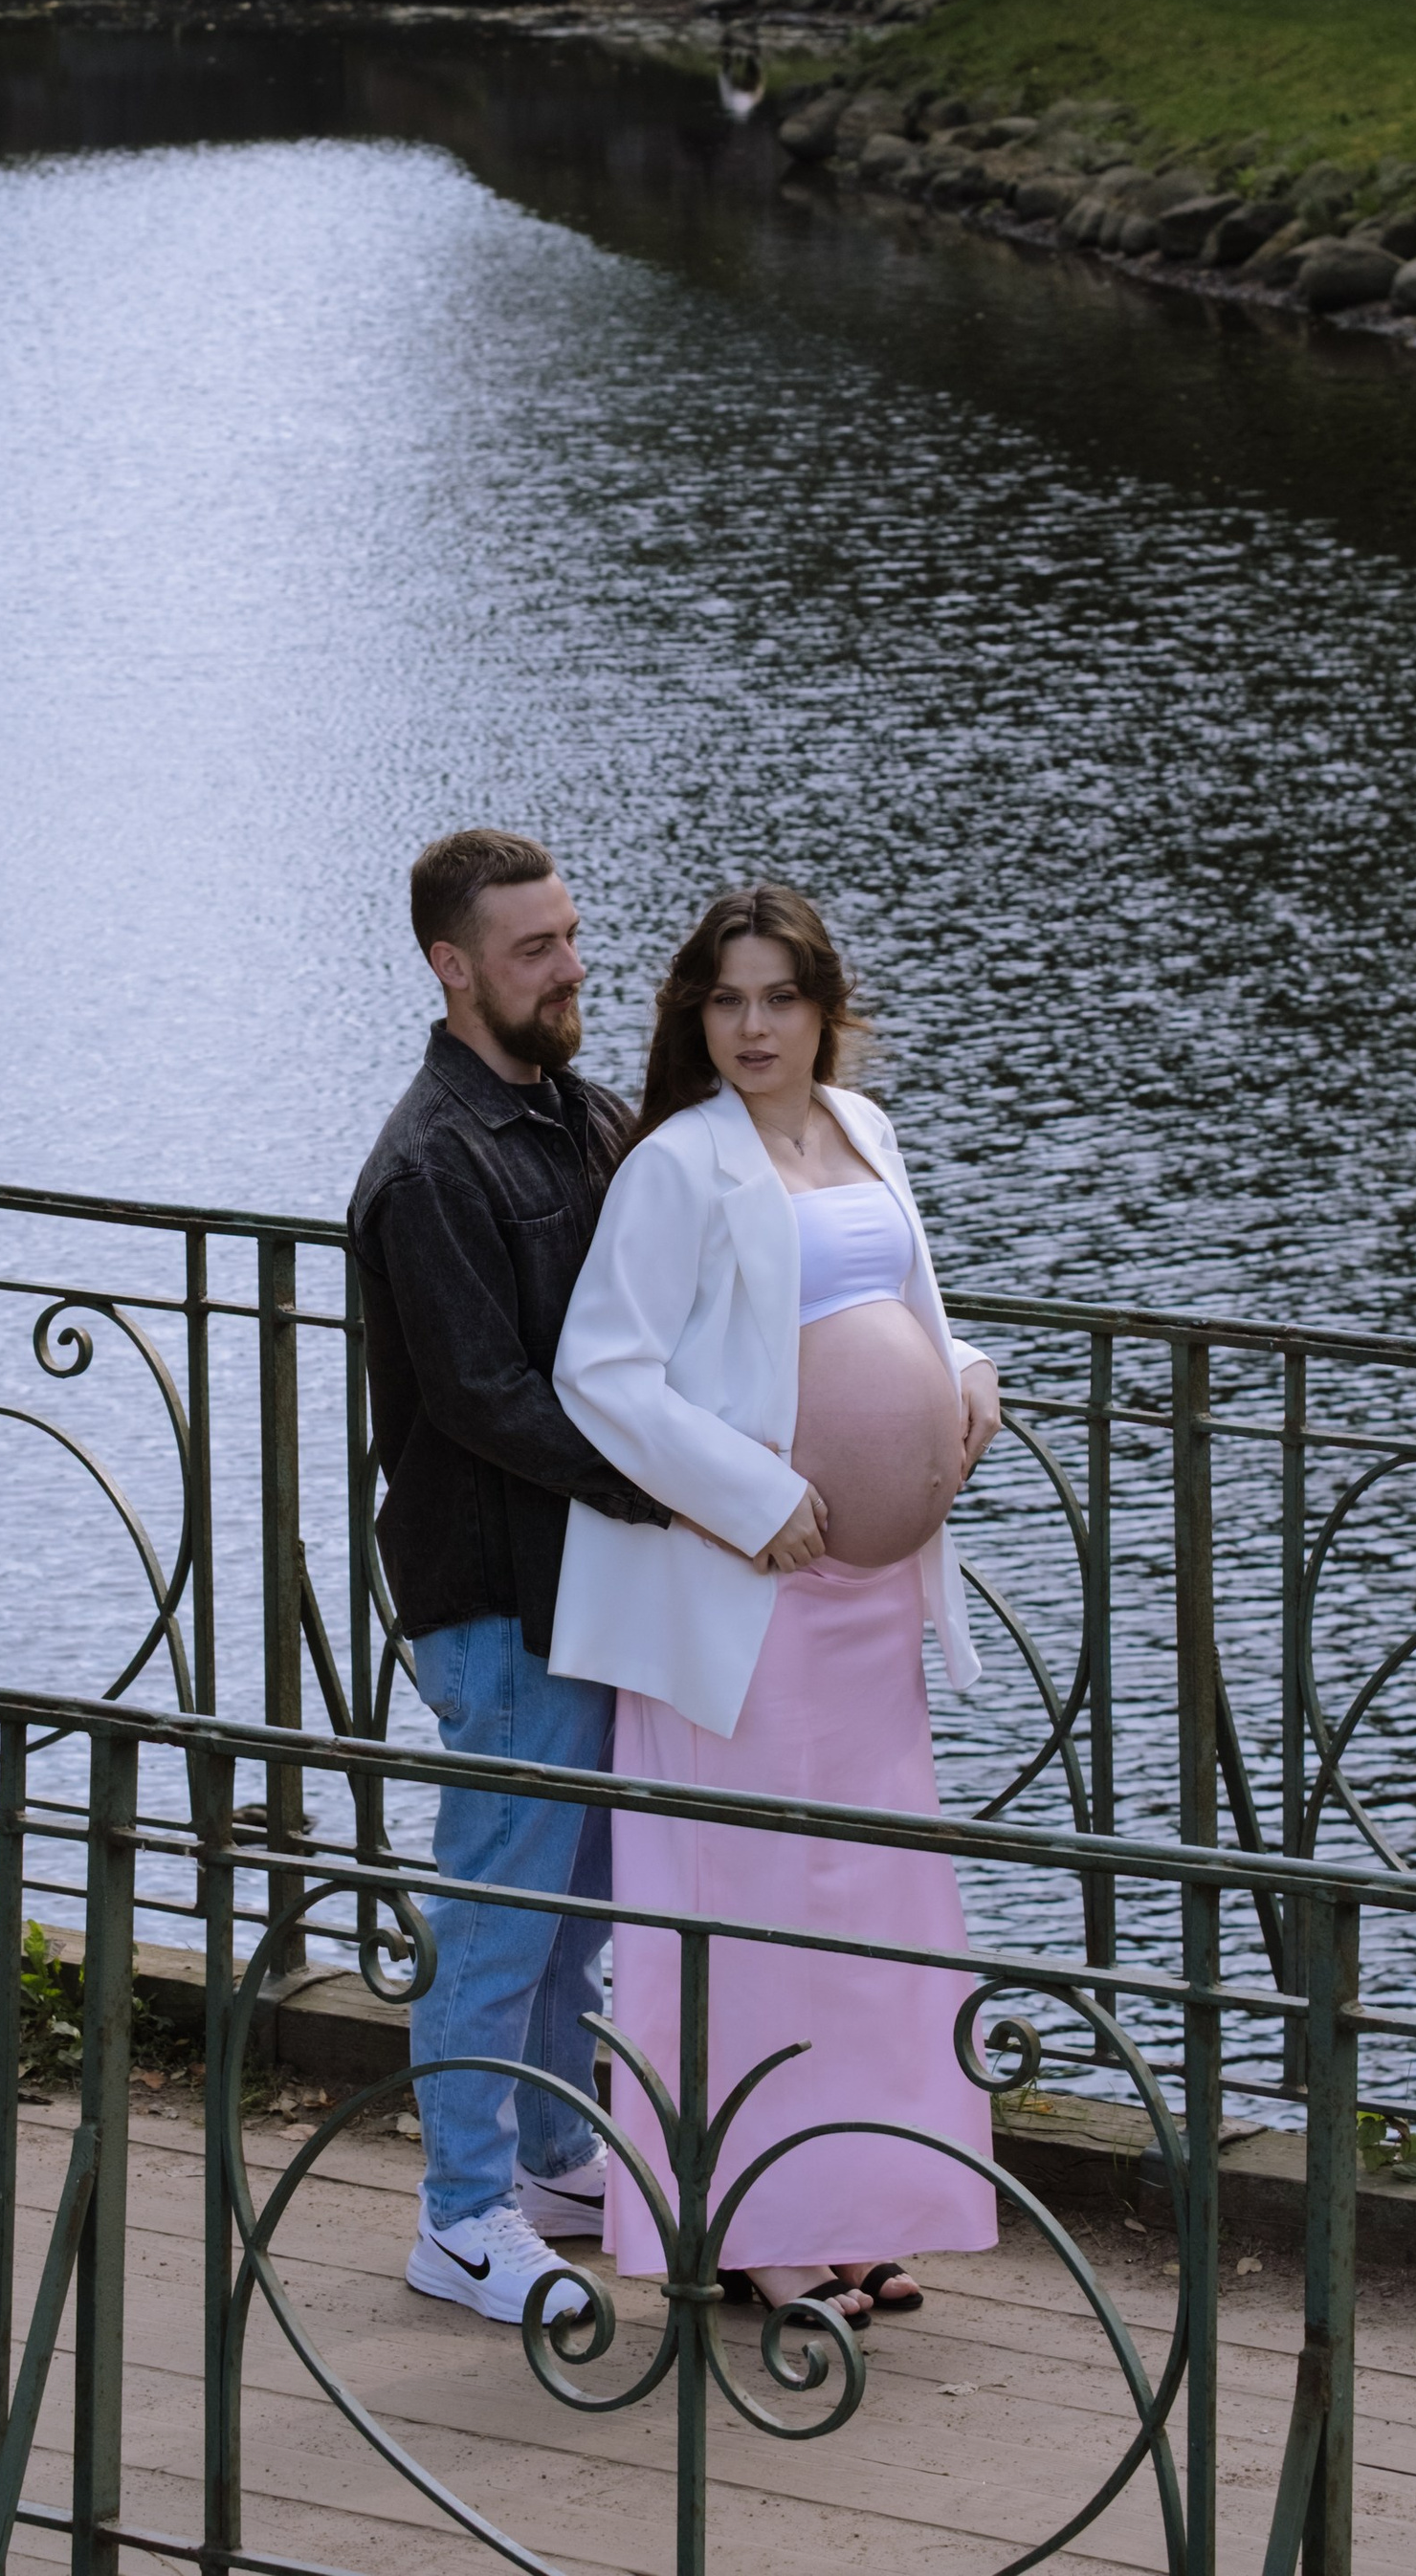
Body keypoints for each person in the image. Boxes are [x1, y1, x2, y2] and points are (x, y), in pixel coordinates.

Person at [549, 884, 1004, 2331]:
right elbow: (602, 1375)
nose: (752, 1028)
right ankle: (748, 2227)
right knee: (744, 1912)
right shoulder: (675, 1165)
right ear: (697, 1014)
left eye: (779, 1000)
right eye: (726, 1002)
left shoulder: (862, 1133)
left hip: (870, 1608)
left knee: (869, 1910)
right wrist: (750, 1497)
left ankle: (860, 2204)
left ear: (824, 1010)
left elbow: (888, 1295)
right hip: (747, 1599)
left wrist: (960, 1374)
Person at [349, 829, 673, 2330]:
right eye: (535, 948)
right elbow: (481, 1394)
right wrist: (675, 1482)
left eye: (571, 934)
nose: (570, 965)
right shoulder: (430, 1164)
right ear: (452, 966)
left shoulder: (575, 1114)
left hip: (584, 1579)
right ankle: (458, 2215)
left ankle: (552, 2157)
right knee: (499, 1901)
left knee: (576, 1897)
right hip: (497, 1595)